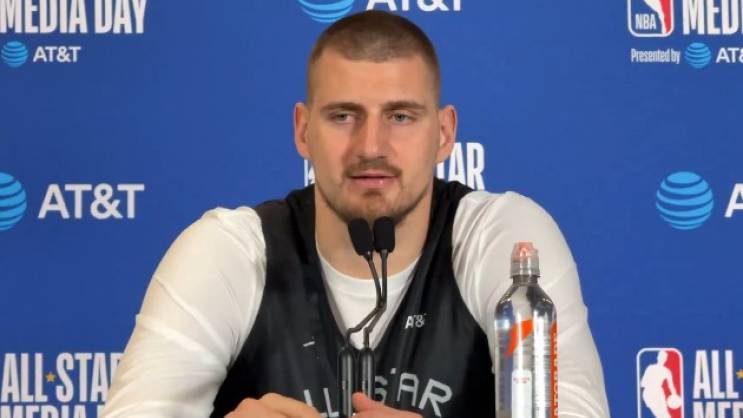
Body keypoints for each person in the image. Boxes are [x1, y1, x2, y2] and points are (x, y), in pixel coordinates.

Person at [101, 10, 610, 418]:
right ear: (303, 131)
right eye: (343, 115)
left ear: (444, 134)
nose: (371, 146)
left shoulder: (502, 237)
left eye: (401, 116)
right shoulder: (230, 250)